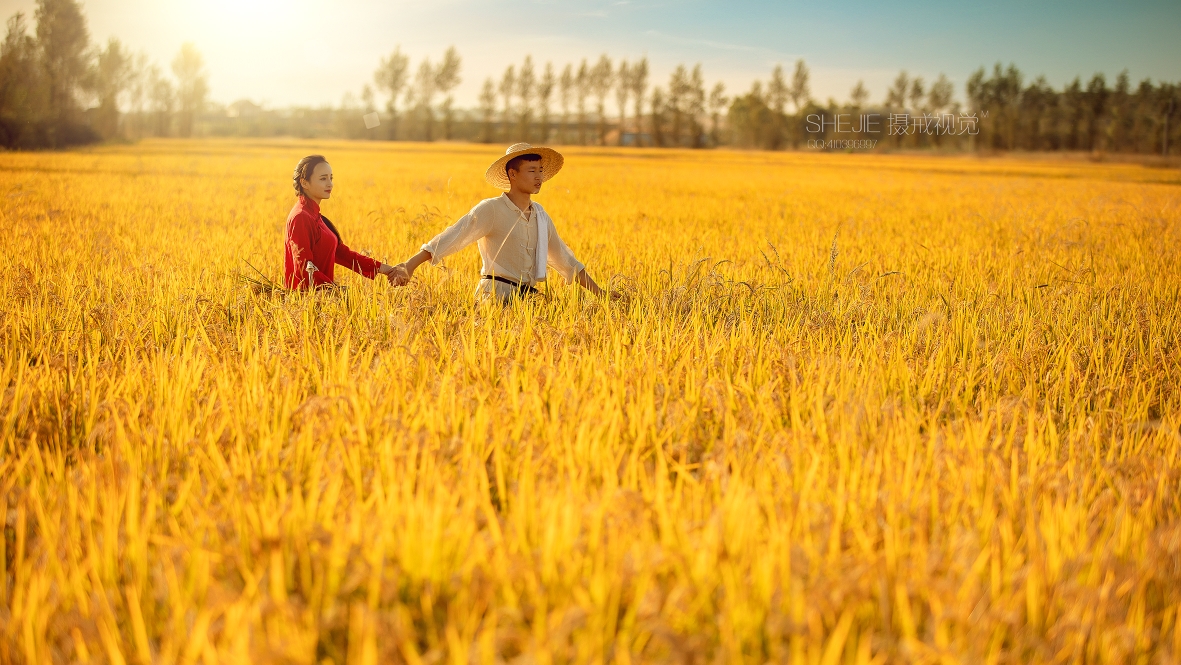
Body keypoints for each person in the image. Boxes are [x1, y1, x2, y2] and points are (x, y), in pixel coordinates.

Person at [390, 143, 613, 303]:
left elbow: (566, 259)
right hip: (495, 298)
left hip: (528, 301)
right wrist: (409, 266)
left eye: (541, 171)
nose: (539, 177)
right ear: (512, 174)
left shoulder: (541, 215)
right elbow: (454, 236)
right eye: (532, 171)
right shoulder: (492, 209)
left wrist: (602, 295)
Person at [284, 154, 403, 290]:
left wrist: (387, 269)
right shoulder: (301, 217)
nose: (330, 184)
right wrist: (337, 291)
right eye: (323, 179)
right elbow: (304, 268)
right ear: (304, 182)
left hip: (324, 298)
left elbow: (342, 254)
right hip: (309, 303)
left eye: (331, 178)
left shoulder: (315, 215)